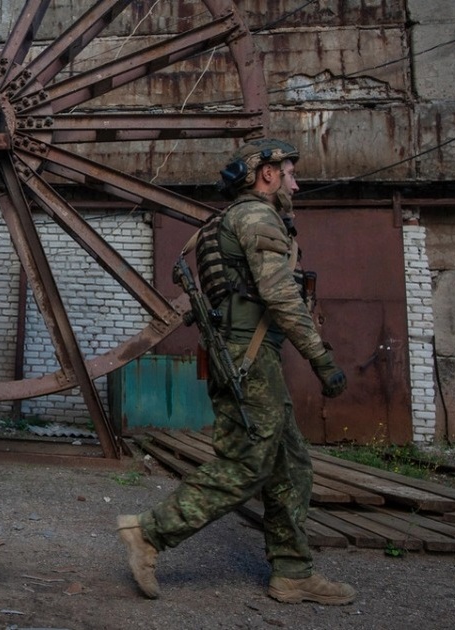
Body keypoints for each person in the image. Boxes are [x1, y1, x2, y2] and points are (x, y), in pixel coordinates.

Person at [117, 139, 353, 605]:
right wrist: (321, 359)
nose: (294, 182)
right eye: (288, 172)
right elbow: (279, 293)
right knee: (248, 462)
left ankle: (292, 572)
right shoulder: (257, 217)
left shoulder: (223, 222)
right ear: (265, 173)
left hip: (245, 354)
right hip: (251, 357)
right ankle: (149, 533)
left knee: (291, 464)